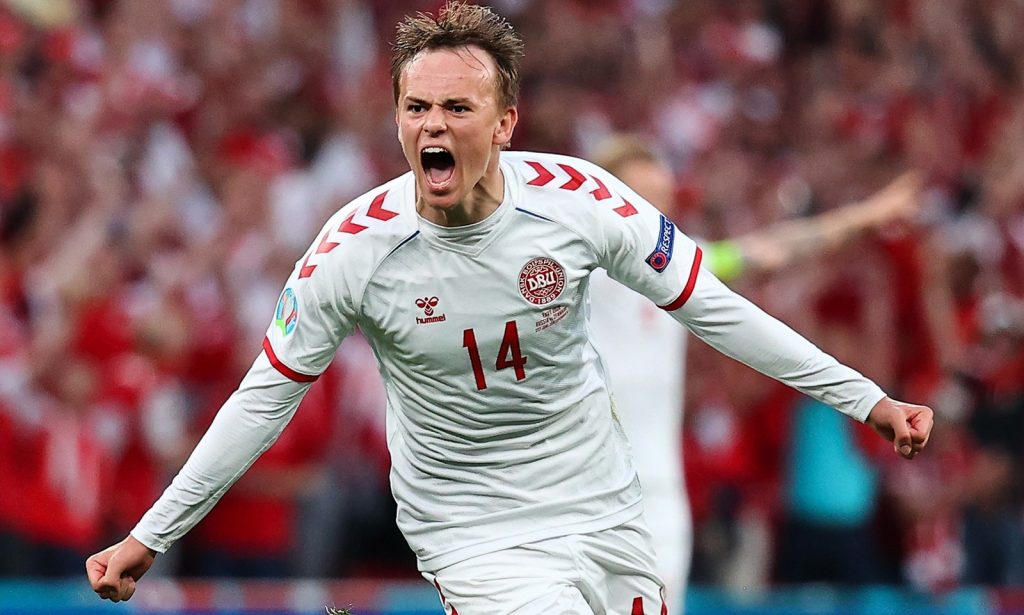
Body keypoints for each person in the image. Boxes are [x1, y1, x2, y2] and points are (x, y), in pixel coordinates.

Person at [87, 3, 933, 613]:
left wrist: (866, 398)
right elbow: (261, 399)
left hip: (606, 502)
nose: (433, 126)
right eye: (416, 108)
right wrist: (149, 535)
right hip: (472, 523)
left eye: (458, 107)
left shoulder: (583, 204)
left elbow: (721, 309)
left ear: (504, 123)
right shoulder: (352, 249)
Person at [587, 135, 923, 608]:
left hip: (658, 498)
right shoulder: (575, 275)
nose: (655, 211)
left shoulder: (678, 265)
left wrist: (864, 216)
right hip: (581, 492)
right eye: (641, 197)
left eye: (663, 197)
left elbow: (770, 250)